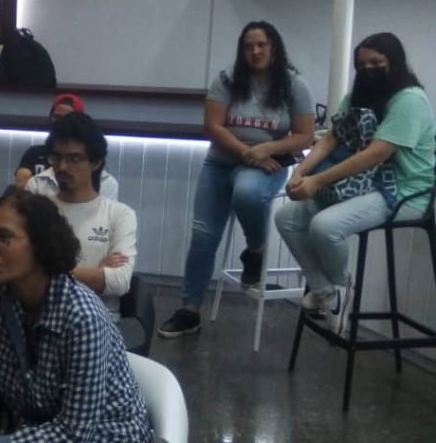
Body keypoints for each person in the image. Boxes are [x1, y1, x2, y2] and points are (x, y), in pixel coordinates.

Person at [0, 191, 153, 442]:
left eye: (4, 237)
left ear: (40, 245)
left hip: (103, 436)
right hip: (32, 428)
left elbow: (75, 434)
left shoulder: (83, 318)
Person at [158, 21, 314, 338]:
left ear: (274, 47)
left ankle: (255, 250)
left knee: (247, 192)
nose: (255, 51)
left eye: (262, 45)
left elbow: (304, 135)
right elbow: (213, 126)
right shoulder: (227, 79)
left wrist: (267, 149)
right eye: (248, 46)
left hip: (267, 165)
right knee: (203, 236)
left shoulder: (294, 85)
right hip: (221, 163)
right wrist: (247, 152)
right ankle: (189, 310)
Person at [275, 33, 434, 332]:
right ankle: (324, 291)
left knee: (325, 227)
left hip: (404, 191)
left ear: (395, 62)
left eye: (376, 62)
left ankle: (341, 289)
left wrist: (317, 181)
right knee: (286, 218)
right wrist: (301, 173)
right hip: (365, 184)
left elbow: (375, 154)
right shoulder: (358, 95)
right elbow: (332, 138)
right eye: (361, 64)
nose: (368, 69)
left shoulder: (409, 100)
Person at [27, 112, 135, 316]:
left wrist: (49, 273)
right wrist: (97, 272)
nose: (62, 167)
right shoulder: (38, 208)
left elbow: (120, 282)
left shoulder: (120, 214)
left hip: (99, 317)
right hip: (44, 314)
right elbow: (24, 271)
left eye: (74, 159)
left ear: (96, 162)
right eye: (57, 157)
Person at [13, 93, 84, 189]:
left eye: (67, 118)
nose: (60, 122)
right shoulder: (34, 153)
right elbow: (21, 186)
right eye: (56, 117)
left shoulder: (83, 157)